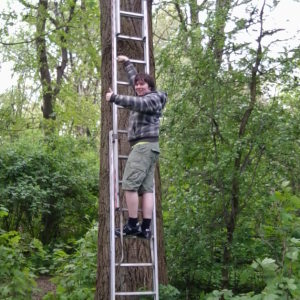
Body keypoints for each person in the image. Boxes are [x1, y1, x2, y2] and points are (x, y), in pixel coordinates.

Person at [106, 55, 167, 239]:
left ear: (150, 87)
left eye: (143, 85)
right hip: (149, 148)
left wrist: (114, 98)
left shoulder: (153, 99)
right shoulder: (147, 95)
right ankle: (145, 228)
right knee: (146, 189)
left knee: (130, 185)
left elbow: (137, 102)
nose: (139, 87)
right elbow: (135, 81)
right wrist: (127, 63)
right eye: (137, 85)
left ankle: (132, 224)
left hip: (143, 147)